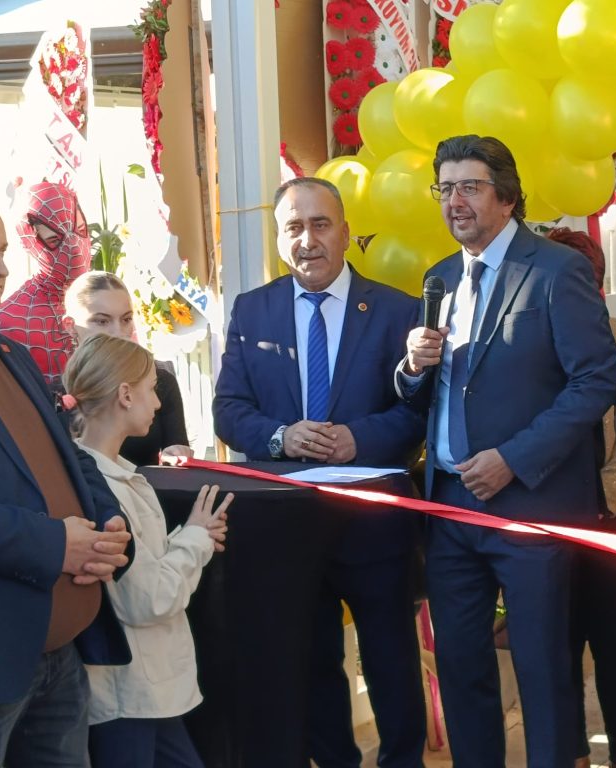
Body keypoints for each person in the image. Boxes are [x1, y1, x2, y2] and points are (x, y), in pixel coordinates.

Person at [398, 135, 616, 767]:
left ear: (507, 196)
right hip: (450, 508)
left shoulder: (555, 269)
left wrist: (514, 459)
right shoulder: (440, 277)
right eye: (445, 188)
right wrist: (411, 368)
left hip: (530, 505)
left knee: (542, 666)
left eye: (469, 187)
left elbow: (595, 379)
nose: (455, 201)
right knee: (460, 663)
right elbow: (427, 392)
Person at [213, 177, 426, 767]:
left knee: (390, 659)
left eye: (320, 224)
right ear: (280, 239)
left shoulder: (397, 311)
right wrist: (279, 437)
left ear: (346, 233)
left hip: (373, 521)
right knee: (312, 663)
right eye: (293, 227)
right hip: (286, 524)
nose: (307, 239)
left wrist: (360, 439)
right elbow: (229, 409)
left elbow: (418, 412)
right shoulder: (252, 309)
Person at [0, 188, 133, 767]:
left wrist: (108, 525)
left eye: (1, 250)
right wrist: (53, 545)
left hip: (60, 653)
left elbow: (69, 458)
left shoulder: (10, 352)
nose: (1, 267)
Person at [63, 333, 231, 768]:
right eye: (152, 390)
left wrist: (191, 535)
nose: (158, 403)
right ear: (125, 395)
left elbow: (145, 565)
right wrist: (195, 540)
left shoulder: (116, 476)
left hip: (145, 691)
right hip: (129, 695)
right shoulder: (104, 488)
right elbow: (149, 597)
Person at [546, 227, 616, 768]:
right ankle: (574, 753)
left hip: (613, 510)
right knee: (558, 641)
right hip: (548, 513)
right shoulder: (526, 338)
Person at [63, 270, 192, 465]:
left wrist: (176, 455)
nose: (118, 332)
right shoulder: (57, 398)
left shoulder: (160, 382)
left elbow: (177, 450)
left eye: (126, 319)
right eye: (102, 321)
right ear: (70, 325)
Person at [0, 181, 92, 386]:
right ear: (29, 243)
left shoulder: (106, 296)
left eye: (80, 230)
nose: (74, 248)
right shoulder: (4, 322)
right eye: (54, 240)